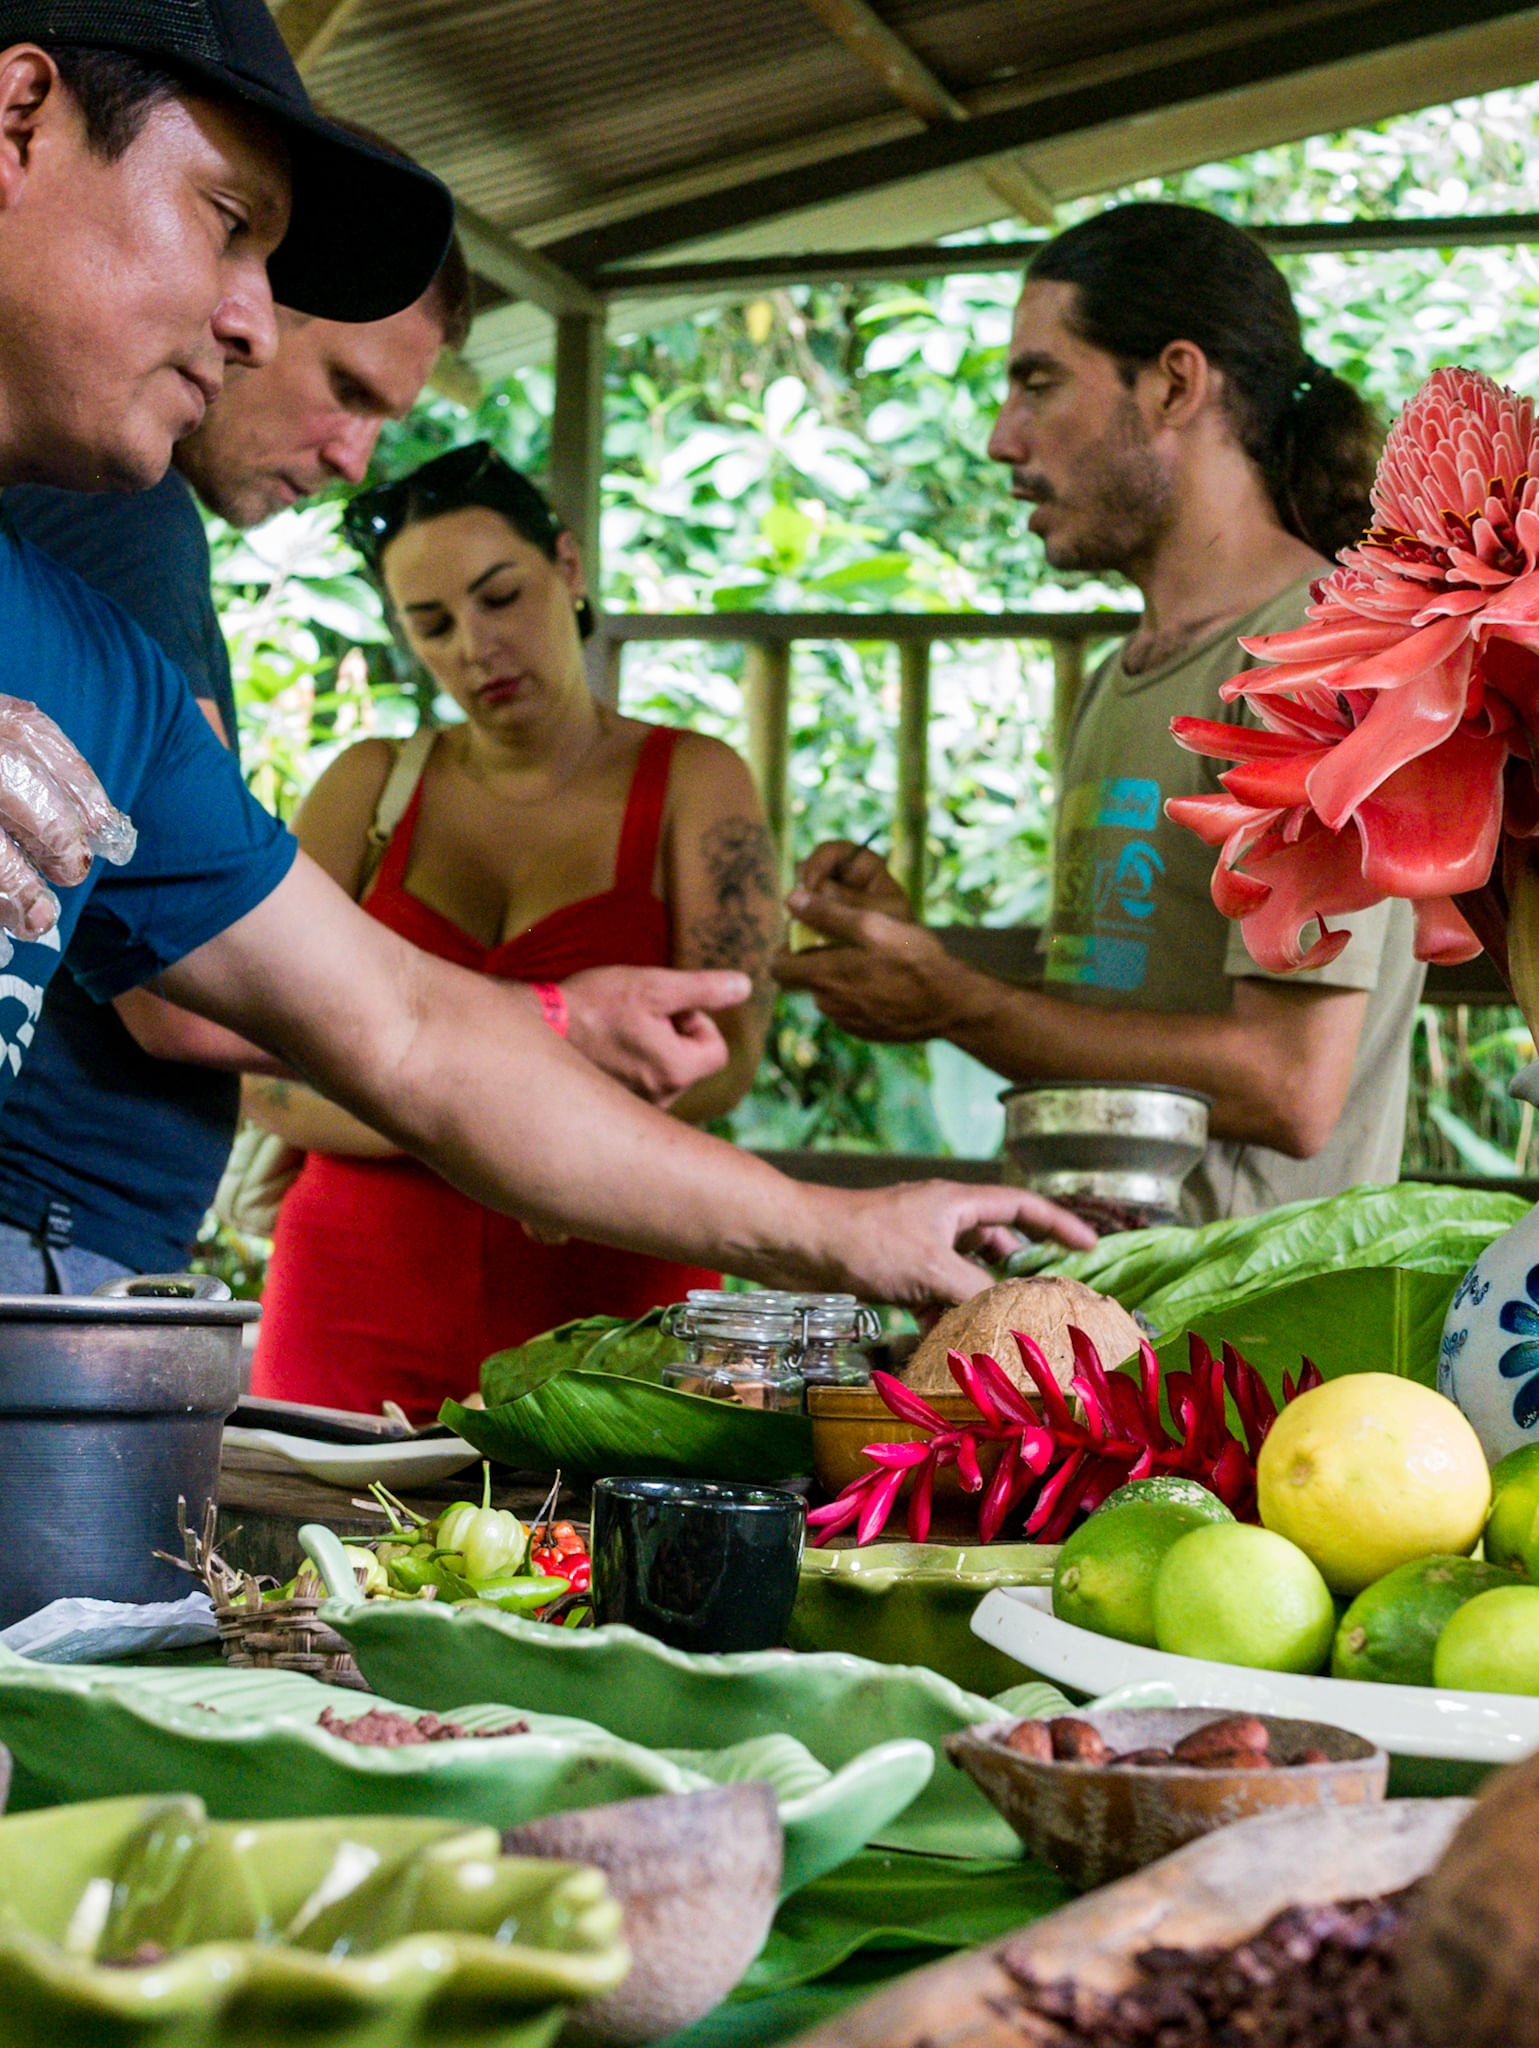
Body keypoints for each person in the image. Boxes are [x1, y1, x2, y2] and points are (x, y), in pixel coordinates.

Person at [0, 1, 1093, 1315]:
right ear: (19, 120)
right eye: (228, 222)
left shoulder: (98, 672)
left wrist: (846, 1231)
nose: (251, 326)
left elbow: (405, 1031)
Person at [778, 203, 1423, 1220]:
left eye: (1039, 382)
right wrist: (927, 962)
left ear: (1174, 382)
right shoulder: (1125, 671)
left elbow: (1289, 1084)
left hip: (1249, 1352)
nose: (1001, 440)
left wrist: (954, 1002)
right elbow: (1119, 995)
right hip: (1102, 1314)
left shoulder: (1318, 659)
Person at [245, 444, 778, 1417]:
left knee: (612, 1564)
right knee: (313, 1565)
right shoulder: (366, 786)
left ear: (568, 567)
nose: (475, 646)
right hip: (352, 1294)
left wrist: (486, 1119)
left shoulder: (696, 780)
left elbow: (733, 1052)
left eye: (501, 596)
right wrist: (508, 1129)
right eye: (433, 623)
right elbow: (269, 1074)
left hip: (613, 1294)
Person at [0, 237, 471, 1293]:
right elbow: (195, 990)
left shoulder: (131, 569)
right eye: (346, 389)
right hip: (42, 1222)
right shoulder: (127, 504)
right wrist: (533, 1035)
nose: (355, 455)